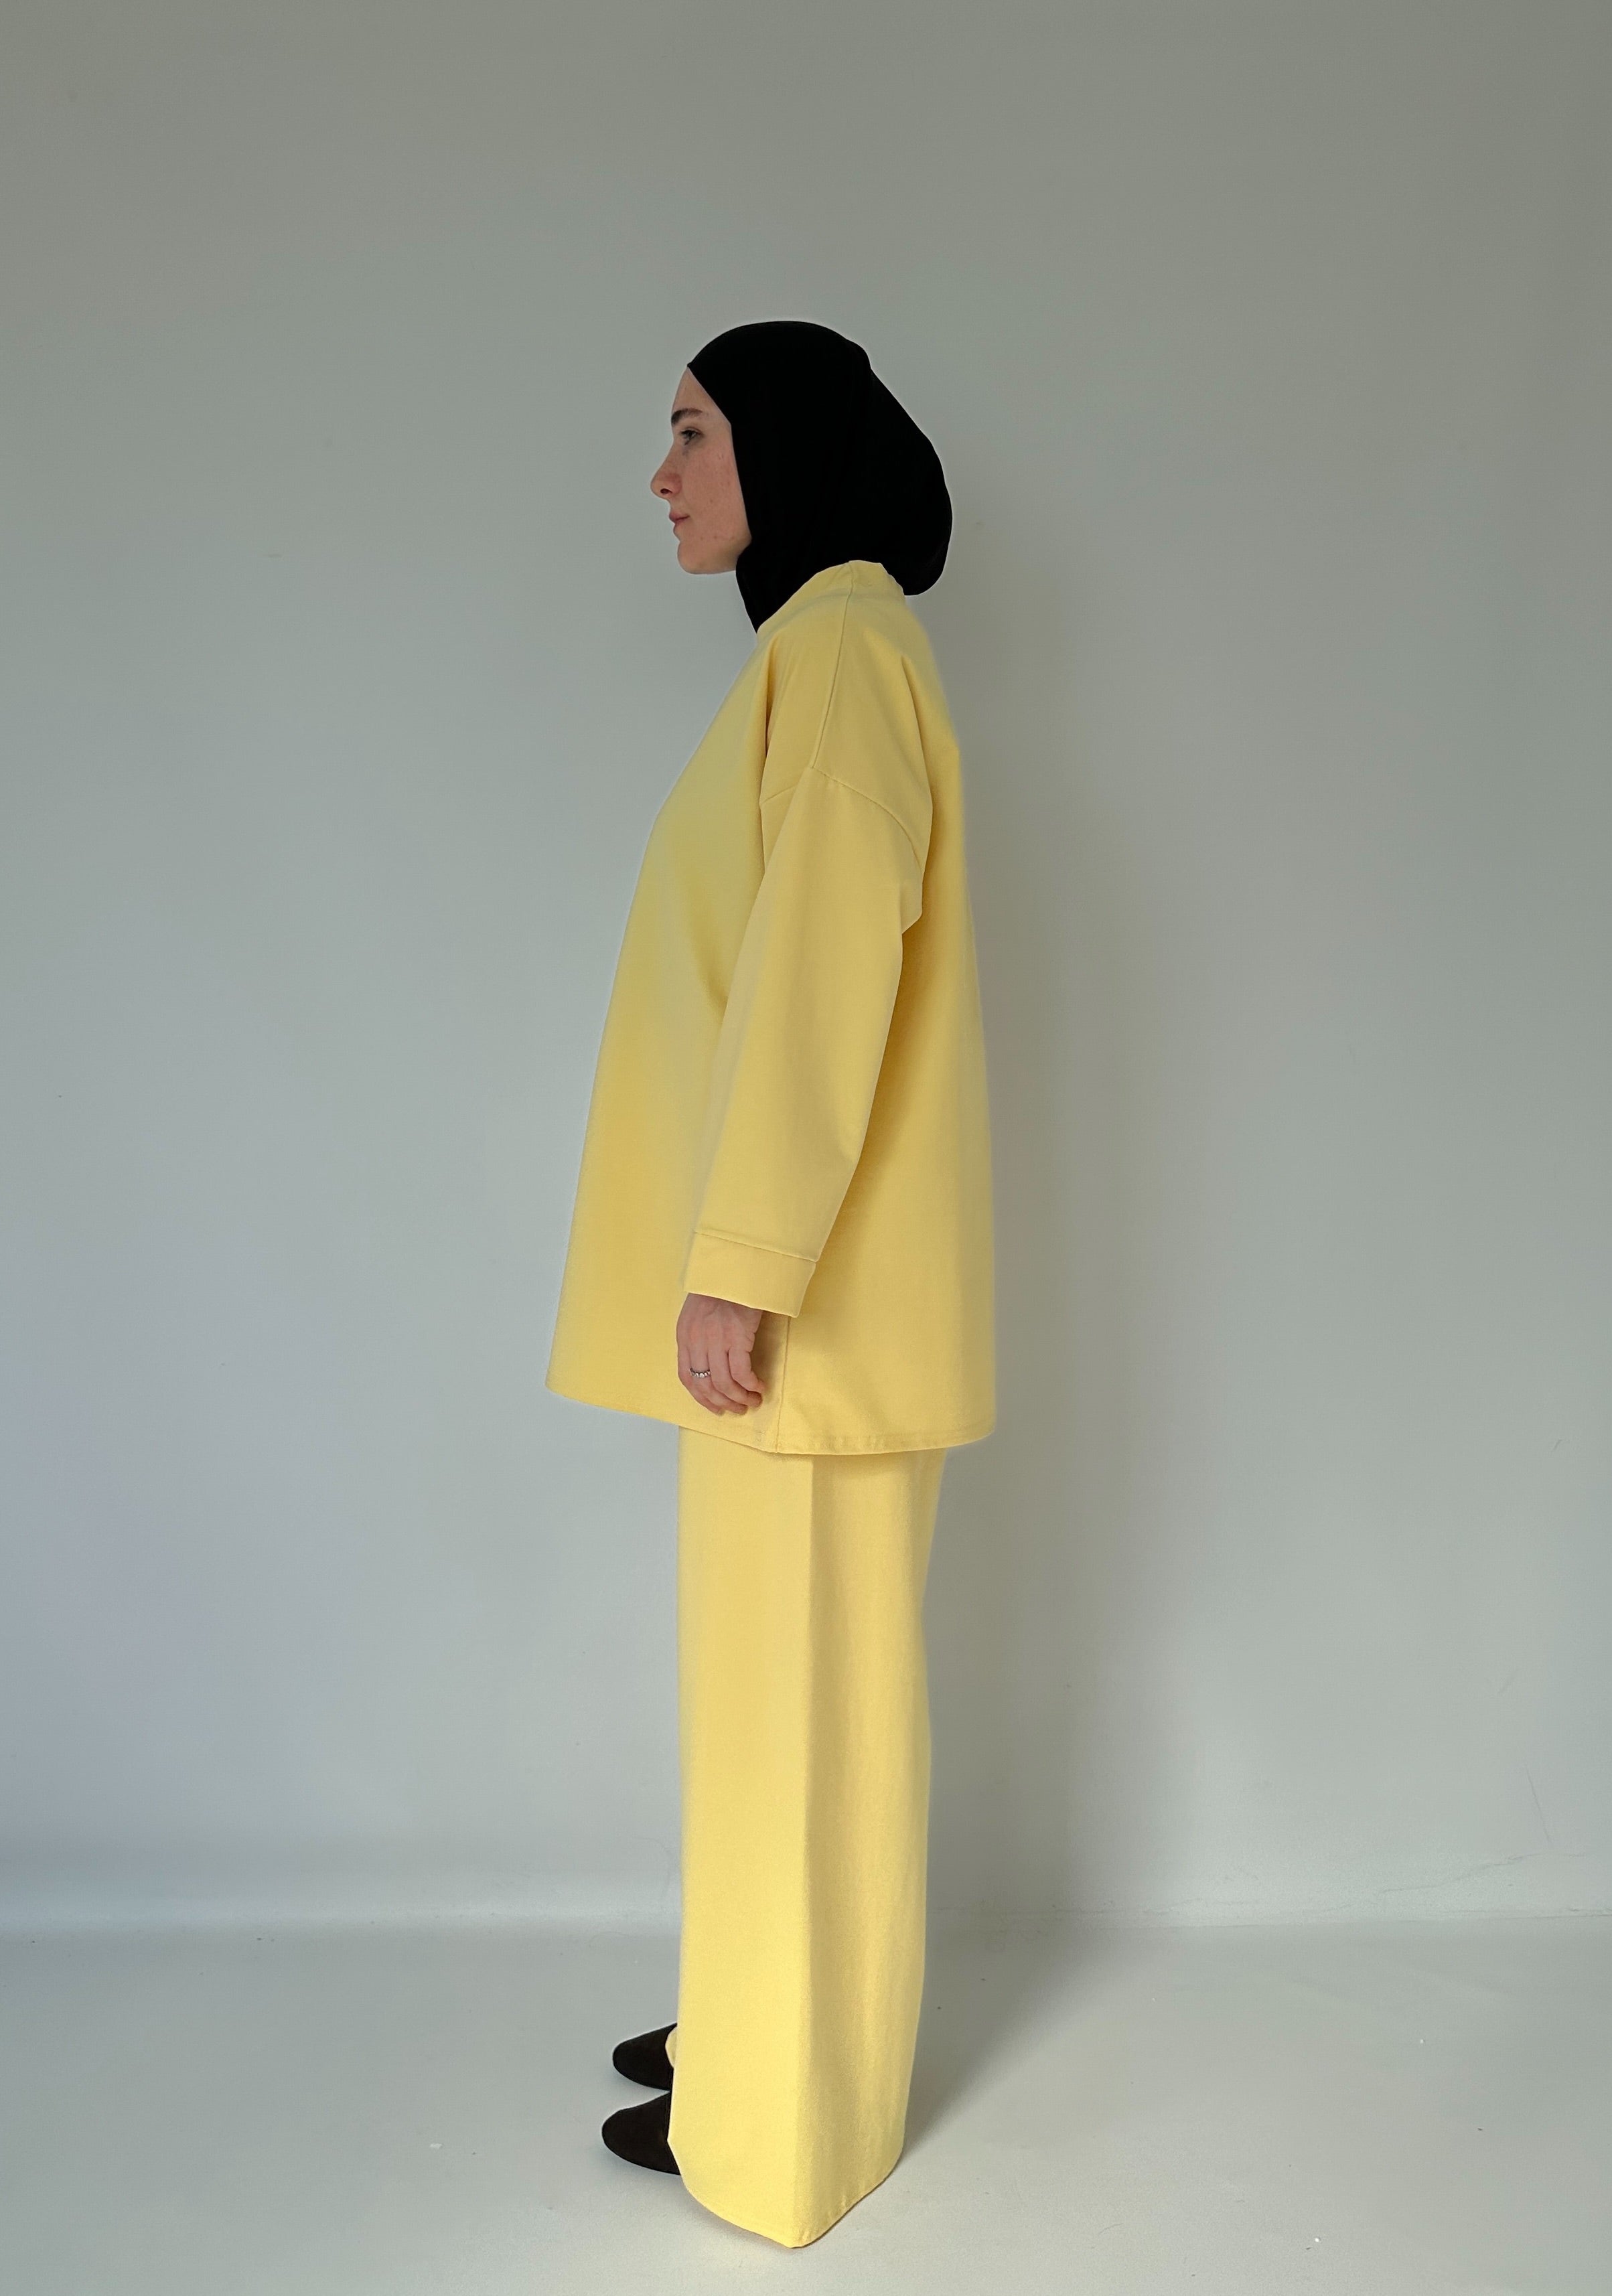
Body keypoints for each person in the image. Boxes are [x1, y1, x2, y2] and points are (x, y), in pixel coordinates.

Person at [544, 319, 995, 2248]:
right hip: (796, 1312)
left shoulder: (839, 649)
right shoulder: (827, 648)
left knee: (801, 1717)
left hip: (800, 1319)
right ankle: (753, 2029)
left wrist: (741, 1267)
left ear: (785, 447)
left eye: (692, 432)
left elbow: (820, 965)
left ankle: (788, 2130)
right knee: (769, 1705)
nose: (662, 474)